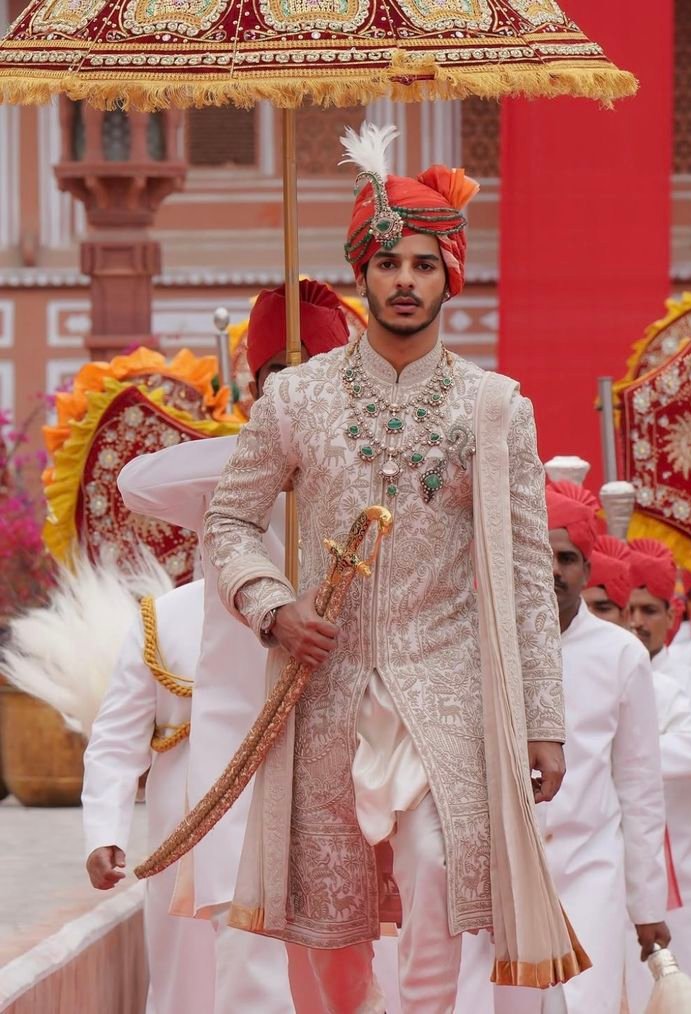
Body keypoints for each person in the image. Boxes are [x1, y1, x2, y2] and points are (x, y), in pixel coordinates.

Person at [203, 121, 587, 1014]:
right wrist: (271, 606)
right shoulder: (294, 396)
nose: (403, 281)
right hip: (322, 687)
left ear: (449, 273)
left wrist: (542, 719)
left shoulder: (495, 408)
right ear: (361, 274)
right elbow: (229, 520)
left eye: (421, 263)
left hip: (444, 692)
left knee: (436, 880)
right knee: (325, 924)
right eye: (386, 264)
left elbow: (529, 573)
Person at [117, 279, 350, 1012]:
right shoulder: (232, 480)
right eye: (275, 383)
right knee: (247, 963)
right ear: (254, 390)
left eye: (310, 380)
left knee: (346, 958)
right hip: (242, 755)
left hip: (345, 739)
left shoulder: (370, 471)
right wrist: (264, 447)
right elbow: (138, 482)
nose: (291, 397)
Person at [494, 480, 669, 1014]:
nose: (552, 570)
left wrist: (647, 906)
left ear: (587, 570)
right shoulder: (484, 644)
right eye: (539, 554)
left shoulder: (621, 654)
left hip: (590, 869)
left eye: (567, 557)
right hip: (504, 874)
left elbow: (639, 787)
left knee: (585, 1003)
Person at [83, 581, 217, 1014]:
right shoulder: (167, 615)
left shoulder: (314, 601)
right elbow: (116, 740)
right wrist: (104, 831)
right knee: (188, 972)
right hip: (184, 827)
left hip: (295, 815)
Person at [625, 538, 691, 1009]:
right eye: (628, 610)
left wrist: (625, 755)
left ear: (672, 614)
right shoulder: (602, 677)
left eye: (649, 610)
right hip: (619, 874)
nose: (637, 622)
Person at [582, 533, 632, 626]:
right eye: (579, 609)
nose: (588, 618)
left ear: (625, 616)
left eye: (602, 609)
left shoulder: (630, 641)